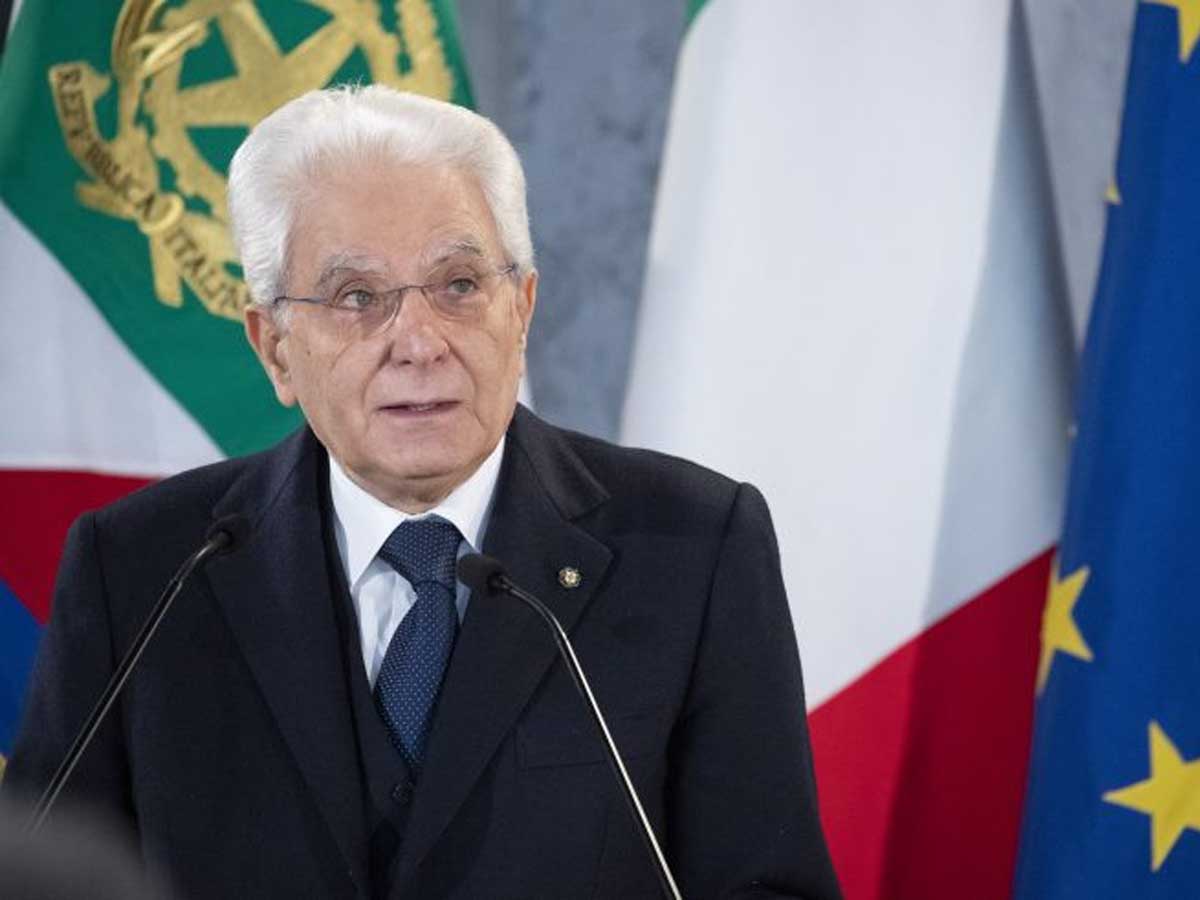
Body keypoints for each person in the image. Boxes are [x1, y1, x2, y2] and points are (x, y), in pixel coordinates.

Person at [6, 86, 841, 899]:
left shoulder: (694, 547)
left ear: (522, 309)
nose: (418, 342)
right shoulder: (143, 569)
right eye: (356, 297)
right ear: (275, 348)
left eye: (459, 285)